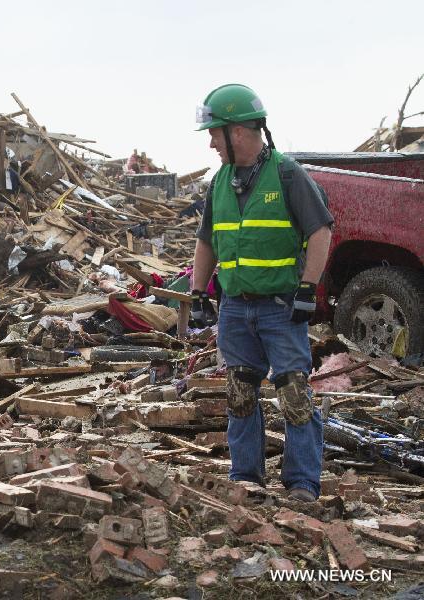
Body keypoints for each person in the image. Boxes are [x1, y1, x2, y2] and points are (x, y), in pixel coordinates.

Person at [191, 84, 334, 502]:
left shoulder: (288, 175)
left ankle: (302, 484)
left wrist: (308, 288)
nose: (211, 143)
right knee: (239, 391)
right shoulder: (219, 182)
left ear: (237, 132)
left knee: (293, 393)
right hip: (235, 308)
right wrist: (200, 292)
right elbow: (207, 242)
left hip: (280, 308)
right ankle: (246, 479)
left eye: (214, 134)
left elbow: (320, 230)